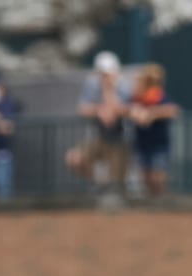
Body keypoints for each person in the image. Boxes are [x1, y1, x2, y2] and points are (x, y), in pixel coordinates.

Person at [67, 52, 131, 194]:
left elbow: (122, 110)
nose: (104, 77)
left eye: (106, 74)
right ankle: (99, 184)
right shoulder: (92, 84)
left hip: (120, 140)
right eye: (102, 74)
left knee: (117, 180)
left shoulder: (124, 85)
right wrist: (99, 110)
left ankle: (115, 196)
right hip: (100, 138)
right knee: (75, 158)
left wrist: (109, 90)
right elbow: (83, 108)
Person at [129, 64, 180, 199]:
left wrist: (151, 114)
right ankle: (151, 200)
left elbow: (173, 110)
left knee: (157, 176)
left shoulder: (159, 97)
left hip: (159, 143)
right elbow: (128, 109)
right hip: (143, 142)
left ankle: (161, 200)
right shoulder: (137, 98)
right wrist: (136, 113)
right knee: (145, 176)